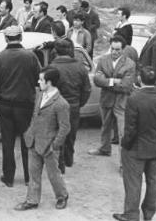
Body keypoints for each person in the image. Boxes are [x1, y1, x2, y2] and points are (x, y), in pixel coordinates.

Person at [112, 67, 156, 221]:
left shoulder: (134, 98)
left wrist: (126, 144)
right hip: (155, 146)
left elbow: (130, 127)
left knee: (133, 182)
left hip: (135, 149)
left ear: (139, 80)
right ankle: (149, 212)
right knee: (152, 181)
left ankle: (131, 214)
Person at [0, 25, 41, 187]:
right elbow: (38, 79)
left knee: (8, 142)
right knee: (27, 142)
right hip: (25, 105)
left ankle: (9, 177)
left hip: (5, 105)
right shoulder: (31, 56)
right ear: (21, 37)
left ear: (6, 39)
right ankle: (28, 177)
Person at [15, 67, 70, 211]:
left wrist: (55, 145)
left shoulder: (61, 104)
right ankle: (32, 200)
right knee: (34, 173)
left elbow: (65, 128)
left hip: (49, 146)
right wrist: (29, 132)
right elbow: (35, 115)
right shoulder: (39, 95)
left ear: (49, 82)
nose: (38, 82)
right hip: (33, 141)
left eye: (41, 80)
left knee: (53, 175)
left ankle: (62, 196)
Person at [88, 36, 136, 161]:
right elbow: (97, 80)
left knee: (122, 133)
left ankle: (123, 163)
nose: (115, 52)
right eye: (113, 49)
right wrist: (114, 81)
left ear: (123, 49)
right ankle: (104, 149)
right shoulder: (103, 60)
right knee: (105, 126)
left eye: (118, 50)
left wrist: (106, 81)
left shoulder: (130, 64)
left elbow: (126, 86)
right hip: (106, 100)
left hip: (121, 103)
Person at [50, 39, 91, 173]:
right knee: (71, 133)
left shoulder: (52, 67)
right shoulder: (80, 67)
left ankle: (60, 163)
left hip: (57, 105)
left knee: (58, 133)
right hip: (74, 105)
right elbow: (87, 89)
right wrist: (80, 103)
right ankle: (69, 159)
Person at [138, 15, 156, 89]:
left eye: (150, 24)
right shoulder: (155, 37)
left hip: (150, 83)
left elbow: (155, 67)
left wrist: (148, 83)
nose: (148, 26)